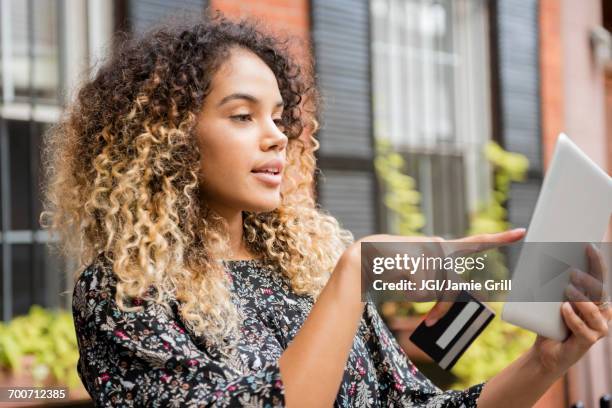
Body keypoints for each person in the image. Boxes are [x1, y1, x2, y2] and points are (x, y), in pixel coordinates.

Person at [40, 15, 611, 407]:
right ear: (166, 137)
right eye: (243, 116)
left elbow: (419, 401)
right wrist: (356, 274)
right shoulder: (124, 292)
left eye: (279, 118)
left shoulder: (306, 269)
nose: (277, 138)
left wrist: (547, 361)